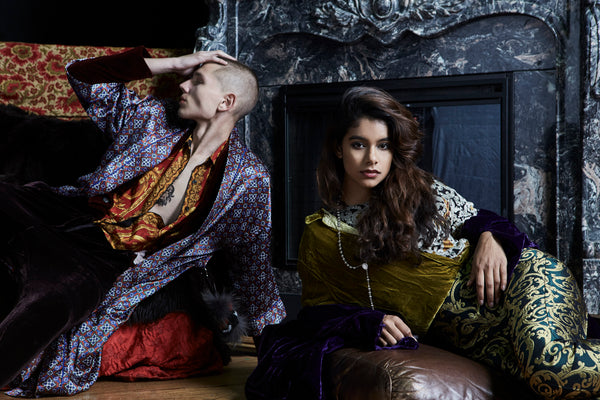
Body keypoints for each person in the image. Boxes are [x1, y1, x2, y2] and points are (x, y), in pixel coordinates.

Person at [247, 86, 600, 400]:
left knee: (552, 370)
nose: (372, 158)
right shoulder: (322, 235)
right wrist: (368, 321)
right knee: (544, 386)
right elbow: (316, 311)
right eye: (359, 144)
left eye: (383, 146)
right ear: (338, 149)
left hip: (523, 280)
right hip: (475, 338)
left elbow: (482, 219)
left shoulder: (420, 191)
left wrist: (491, 236)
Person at [0, 47, 285, 397]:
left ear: (226, 102)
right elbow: (83, 74)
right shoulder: (150, 117)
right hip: (66, 211)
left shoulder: (247, 181)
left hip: (105, 263)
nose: (183, 86)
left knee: (49, 304)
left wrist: (277, 360)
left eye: (197, 81)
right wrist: (174, 63)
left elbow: (254, 270)